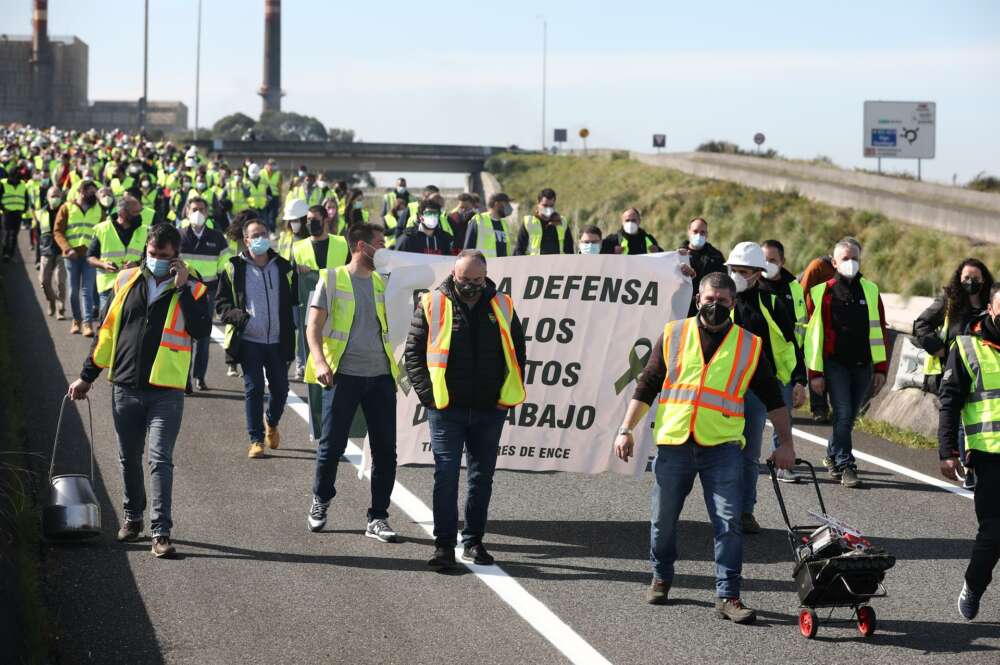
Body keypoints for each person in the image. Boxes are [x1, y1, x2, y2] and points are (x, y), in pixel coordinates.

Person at [613, 271, 796, 622]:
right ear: (698, 299)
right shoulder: (673, 334)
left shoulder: (749, 345)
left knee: (729, 522)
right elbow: (647, 384)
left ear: (733, 304)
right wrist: (626, 429)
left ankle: (728, 595)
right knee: (662, 520)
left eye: (723, 302)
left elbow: (773, 398)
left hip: (722, 447)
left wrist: (786, 442)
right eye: (709, 300)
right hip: (675, 443)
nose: (715, 307)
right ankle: (662, 575)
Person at [67, 223, 212, 558]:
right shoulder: (126, 280)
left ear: (177, 256)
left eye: (164, 255)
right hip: (125, 386)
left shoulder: (194, 288)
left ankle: (160, 531)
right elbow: (105, 335)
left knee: (160, 459)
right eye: (152, 253)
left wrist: (182, 289)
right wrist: (87, 376)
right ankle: (133, 517)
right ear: (146, 250)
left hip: (166, 391)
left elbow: (201, 330)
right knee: (128, 457)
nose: (157, 259)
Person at [404, 250, 527, 570]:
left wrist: (504, 395)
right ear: (453, 275)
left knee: (481, 478)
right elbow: (413, 355)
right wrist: (429, 398)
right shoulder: (432, 304)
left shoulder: (502, 304)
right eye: (464, 280)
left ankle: (473, 541)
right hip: (446, 409)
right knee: (445, 476)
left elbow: (517, 353)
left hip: (489, 409)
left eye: (477, 280)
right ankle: (443, 546)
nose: (471, 286)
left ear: (485, 277)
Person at [304, 223, 400, 542]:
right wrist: (319, 362)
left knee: (386, 450)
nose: (384, 249)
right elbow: (313, 327)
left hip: (381, 376)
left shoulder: (383, 282)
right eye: (380, 244)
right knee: (332, 445)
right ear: (361, 246)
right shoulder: (330, 278)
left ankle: (378, 517)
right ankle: (321, 500)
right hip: (343, 375)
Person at [725, 242, 799, 531]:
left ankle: (744, 511)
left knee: (747, 453)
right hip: (720, 388)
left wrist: (797, 380)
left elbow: (791, 344)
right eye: (733, 270)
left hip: (756, 390)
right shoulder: (718, 299)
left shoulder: (771, 303)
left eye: (743, 271)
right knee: (709, 450)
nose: (736, 276)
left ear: (757, 274)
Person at [805, 238, 889, 488]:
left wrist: (881, 368)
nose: (850, 263)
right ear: (834, 262)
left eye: (855, 258)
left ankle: (832, 455)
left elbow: (880, 331)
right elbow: (814, 336)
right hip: (835, 364)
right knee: (842, 413)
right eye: (845, 259)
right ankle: (845, 464)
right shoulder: (822, 292)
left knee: (850, 416)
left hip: (863, 364)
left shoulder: (871, 290)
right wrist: (815, 373)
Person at [938, 284, 1000, 621]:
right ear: (991, 309)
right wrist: (947, 450)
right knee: (994, 533)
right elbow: (949, 403)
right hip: (988, 456)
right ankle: (974, 586)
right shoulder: (967, 348)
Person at [216, 218, 297, 459]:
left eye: (263, 233)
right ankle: (256, 439)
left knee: (281, 389)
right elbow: (221, 304)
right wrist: (243, 319)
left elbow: (295, 299)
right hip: (250, 340)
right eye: (255, 234)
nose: (260, 238)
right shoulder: (233, 267)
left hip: (278, 340)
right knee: (254, 389)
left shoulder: (283, 267)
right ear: (246, 239)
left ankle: (271, 422)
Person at [916, 258, 993, 490]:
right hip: (954, 371)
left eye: (976, 279)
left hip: (982, 372)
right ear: (959, 279)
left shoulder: (990, 302)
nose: (971, 282)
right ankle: (968, 469)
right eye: (966, 278)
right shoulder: (949, 301)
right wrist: (937, 348)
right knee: (960, 423)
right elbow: (921, 324)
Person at [759, 239, 809, 483]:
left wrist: (801, 376)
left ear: (782, 262)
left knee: (783, 418)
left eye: (772, 260)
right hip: (754, 365)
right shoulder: (752, 285)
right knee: (750, 418)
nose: (767, 264)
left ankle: (782, 466)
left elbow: (799, 333)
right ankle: (741, 461)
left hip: (785, 367)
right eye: (764, 260)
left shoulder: (793, 288)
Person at [291, 205, 349, 385]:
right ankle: (307, 370)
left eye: (314, 220)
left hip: (339, 303)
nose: (309, 224)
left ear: (326, 220)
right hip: (309, 306)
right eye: (307, 220)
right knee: (311, 340)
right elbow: (292, 281)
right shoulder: (298, 247)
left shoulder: (342, 243)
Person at [179, 196, 230, 391]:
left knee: (202, 338)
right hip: (184, 292)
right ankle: (184, 379)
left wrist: (221, 295)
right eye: (194, 209)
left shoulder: (217, 237)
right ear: (187, 212)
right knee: (183, 336)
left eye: (201, 209)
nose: (197, 213)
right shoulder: (179, 235)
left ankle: (199, 376)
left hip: (207, 294)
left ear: (207, 213)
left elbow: (225, 268)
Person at [53, 180, 103, 336]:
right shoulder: (66, 208)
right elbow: (58, 231)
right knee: (73, 291)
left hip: (90, 257)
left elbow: (104, 231)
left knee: (87, 290)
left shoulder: (99, 210)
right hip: (71, 256)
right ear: (81, 191)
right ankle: (76, 320)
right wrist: (67, 249)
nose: (94, 195)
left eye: (95, 192)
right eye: (91, 192)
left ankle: (87, 324)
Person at [88, 194, 148, 313]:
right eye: (134, 212)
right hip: (108, 286)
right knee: (106, 323)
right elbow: (90, 257)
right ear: (122, 212)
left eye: (139, 211)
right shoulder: (102, 229)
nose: (138, 215)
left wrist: (136, 263)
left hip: (133, 285)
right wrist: (103, 264)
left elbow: (150, 258)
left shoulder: (144, 231)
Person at [800, 253, 838, 423]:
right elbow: (803, 289)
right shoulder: (818, 265)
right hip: (814, 320)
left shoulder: (845, 271)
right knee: (815, 365)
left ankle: (834, 407)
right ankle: (819, 408)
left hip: (834, 323)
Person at [679, 217, 726, 315]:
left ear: (707, 234)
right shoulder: (678, 255)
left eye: (702, 232)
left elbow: (722, 283)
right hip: (682, 309)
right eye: (695, 231)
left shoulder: (716, 257)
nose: (699, 235)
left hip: (708, 309)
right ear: (689, 232)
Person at [515, 188, 573, 255]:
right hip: (535, 264)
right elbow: (519, 249)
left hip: (557, 264)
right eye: (545, 205)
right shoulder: (529, 223)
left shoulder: (562, 223)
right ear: (538, 203)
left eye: (551, 206)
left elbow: (569, 250)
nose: (548, 208)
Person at [465, 193, 513, 258]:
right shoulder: (479, 220)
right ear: (497, 204)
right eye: (506, 203)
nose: (509, 206)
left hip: (502, 265)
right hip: (482, 266)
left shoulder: (505, 224)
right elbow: (468, 249)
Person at [1, 164, 31, 262]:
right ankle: (5, 253)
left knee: (14, 234)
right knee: (6, 233)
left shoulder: (22, 184)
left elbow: (26, 198)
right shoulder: (3, 183)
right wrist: (3, 208)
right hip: (7, 213)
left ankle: (10, 254)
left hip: (18, 213)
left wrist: (25, 209)